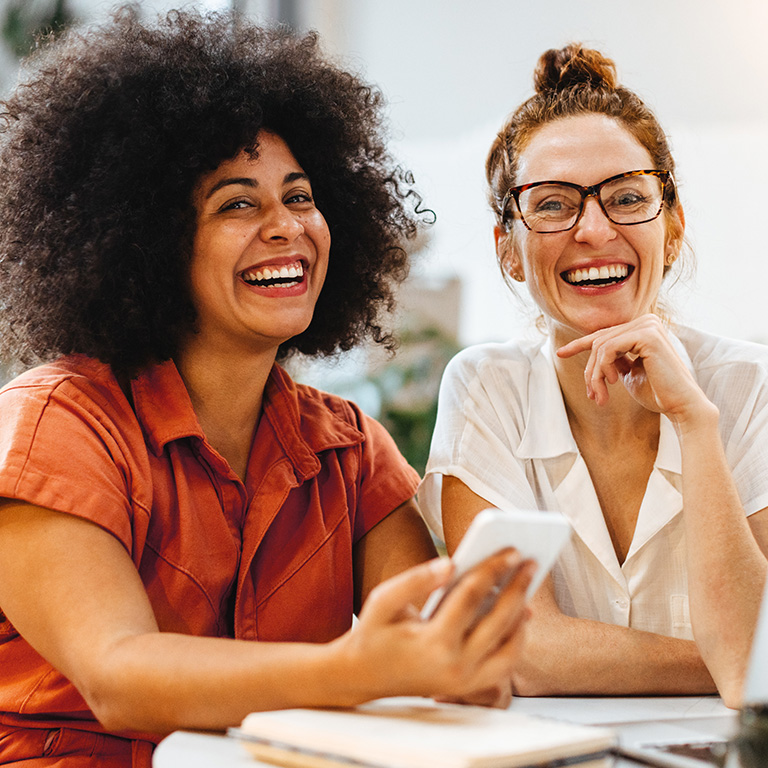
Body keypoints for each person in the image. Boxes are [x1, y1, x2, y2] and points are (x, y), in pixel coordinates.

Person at [0, 9, 534, 766]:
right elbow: (119, 674)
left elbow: (427, 649)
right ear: (150, 240)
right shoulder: (56, 424)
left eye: (301, 196)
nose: (287, 226)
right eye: (237, 203)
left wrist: (461, 661)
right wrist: (359, 670)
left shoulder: (349, 449)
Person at [420, 43, 768, 708]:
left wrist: (695, 423)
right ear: (510, 252)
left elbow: (756, 673)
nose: (593, 229)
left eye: (627, 198)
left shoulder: (752, 388)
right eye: (553, 205)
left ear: (672, 230)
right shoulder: (487, 389)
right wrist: (731, 660)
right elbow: (520, 649)